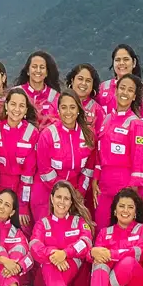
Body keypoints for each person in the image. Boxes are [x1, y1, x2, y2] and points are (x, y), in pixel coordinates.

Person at [83, 187, 143, 286]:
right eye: (121, 206)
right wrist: (92, 252)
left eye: (130, 207)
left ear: (136, 212)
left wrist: (111, 254)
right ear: (115, 211)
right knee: (100, 258)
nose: (125, 210)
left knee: (128, 261)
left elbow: (140, 253)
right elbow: (91, 257)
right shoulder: (104, 232)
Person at [93, 73, 143, 231]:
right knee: (102, 230)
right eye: (122, 88)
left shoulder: (136, 124)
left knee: (124, 232)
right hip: (104, 186)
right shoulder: (106, 120)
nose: (125, 92)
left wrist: (132, 191)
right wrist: (95, 180)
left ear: (134, 97)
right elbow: (99, 155)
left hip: (125, 185)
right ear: (116, 91)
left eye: (130, 90)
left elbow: (141, 161)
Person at [28, 180, 90, 286]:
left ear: (71, 202)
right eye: (58, 197)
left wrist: (66, 253)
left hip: (75, 283)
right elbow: (34, 247)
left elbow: (86, 243)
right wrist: (54, 253)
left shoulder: (79, 222)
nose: (62, 202)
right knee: (49, 261)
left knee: (58, 260)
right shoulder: (42, 223)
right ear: (51, 198)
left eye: (66, 198)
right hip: (43, 282)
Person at [34, 92, 92, 221]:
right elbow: (45, 170)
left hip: (74, 194)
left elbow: (89, 168)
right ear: (58, 110)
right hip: (46, 192)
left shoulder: (88, 135)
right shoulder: (47, 134)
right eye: (64, 107)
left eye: (72, 107)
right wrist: (62, 194)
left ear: (78, 110)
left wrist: (80, 191)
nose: (68, 112)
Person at [0, 90, 38, 228]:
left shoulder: (32, 133)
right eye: (13, 104)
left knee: (22, 228)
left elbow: (28, 175)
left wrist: (23, 206)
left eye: (21, 106)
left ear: (26, 110)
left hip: (20, 191)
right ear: (6, 106)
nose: (17, 109)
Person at [15, 51, 62, 127]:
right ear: (28, 71)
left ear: (47, 73)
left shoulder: (55, 96)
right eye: (34, 66)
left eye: (42, 67)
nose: (38, 70)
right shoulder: (16, 92)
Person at [94, 45, 140, 116]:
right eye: (117, 60)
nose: (121, 63)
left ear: (134, 63)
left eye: (126, 59)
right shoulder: (102, 88)